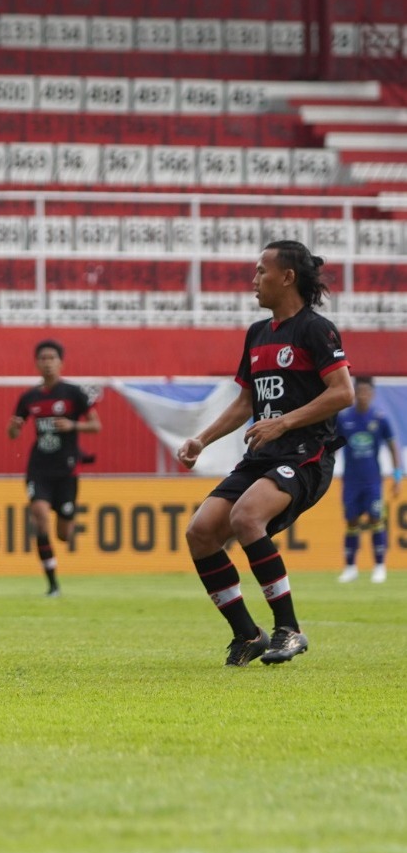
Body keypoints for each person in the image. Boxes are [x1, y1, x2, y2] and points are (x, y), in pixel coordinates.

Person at [176, 241, 351, 666]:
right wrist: (202, 439)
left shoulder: (316, 329)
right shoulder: (257, 334)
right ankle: (246, 634)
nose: (253, 280)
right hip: (263, 455)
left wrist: (286, 421)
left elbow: (342, 392)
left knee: (246, 517)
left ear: (287, 277)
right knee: (200, 533)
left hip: (306, 452)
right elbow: (244, 403)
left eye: (260, 272)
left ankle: (288, 630)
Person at [6, 339, 101, 597]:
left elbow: (96, 426)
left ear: (60, 362)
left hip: (67, 470)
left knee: (64, 534)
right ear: (36, 363)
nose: (47, 363)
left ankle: (68, 516)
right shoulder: (29, 397)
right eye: (43, 358)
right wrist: (13, 427)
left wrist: (73, 426)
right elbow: (13, 433)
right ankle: (52, 584)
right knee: (40, 518)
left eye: (52, 358)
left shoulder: (73, 393)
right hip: (39, 469)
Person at [336, 376, 402, 584]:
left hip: (373, 480)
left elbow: (393, 446)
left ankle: (380, 566)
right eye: (360, 392)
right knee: (351, 521)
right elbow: (332, 447)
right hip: (351, 481)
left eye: (367, 392)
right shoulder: (344, 419)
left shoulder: (380, 419)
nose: (363, 396)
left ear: (372, 394)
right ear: (354, 393)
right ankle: (350, 567)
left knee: (376, 520)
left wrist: (397, 475)